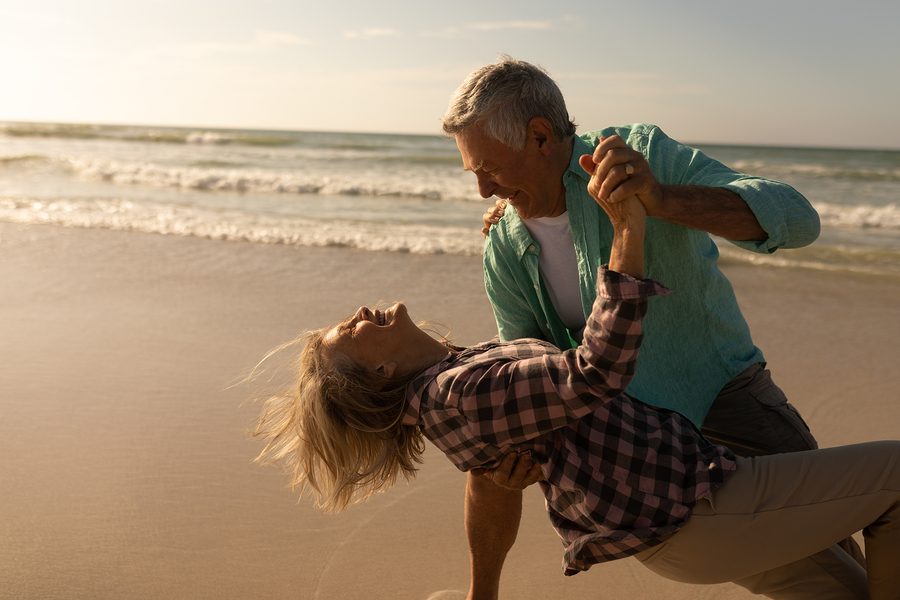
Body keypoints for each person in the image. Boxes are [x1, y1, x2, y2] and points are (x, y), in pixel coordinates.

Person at [249, 179, 899, 600]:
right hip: (700, 507)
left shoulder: (458, 384)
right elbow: (594, 370)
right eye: (351, 333)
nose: (361, 313)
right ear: (380, 374)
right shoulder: (458, 393)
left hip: (677, 523)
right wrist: (626, 228)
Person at [439, 56, 865, 598]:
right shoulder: (503, 247)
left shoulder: (641, 153)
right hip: (641, 440)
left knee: (838, 545)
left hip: (725, 396)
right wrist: (516, 457)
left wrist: (663, 199)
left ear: (541, 137)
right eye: (474, 172)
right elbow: (529, 366)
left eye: (489, 169)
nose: (481, 190)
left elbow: (798, 218)